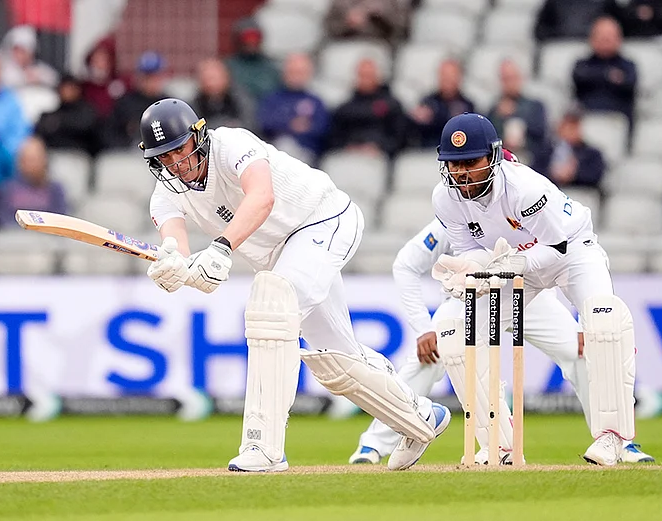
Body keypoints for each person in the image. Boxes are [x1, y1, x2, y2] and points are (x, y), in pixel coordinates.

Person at [138, 98, 450, 472]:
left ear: (198, 136)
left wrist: (221, 248)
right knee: (338, 363)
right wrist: (177, 267)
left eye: (179, 150)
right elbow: (177, 246)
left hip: (324, 220)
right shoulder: (167, 192)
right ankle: (421, 417)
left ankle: (264, 447)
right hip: (281, 257)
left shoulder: (231, 144)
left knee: (271, 310)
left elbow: (262, 196)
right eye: (164, 158)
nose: (175, 163)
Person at [349, 211, 655, 465]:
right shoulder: (452, 214)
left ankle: (615, 438)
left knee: (580, 349)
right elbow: (405, 264)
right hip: (473, 297)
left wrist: (579, 319)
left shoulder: (522, 206)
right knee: (439, 347)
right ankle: (375, 443)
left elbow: (561, 255)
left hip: (528, 294)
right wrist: (422, 328)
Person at [430, 112, 638, 466]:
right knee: (451, 329)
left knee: (603, 321)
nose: (462, 173)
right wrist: (471, 272)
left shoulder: (525, 188)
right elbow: (471, 251)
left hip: (571, 252)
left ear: (493, 156)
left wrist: (514, 263)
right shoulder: (445, 198)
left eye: (471, 162)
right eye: (454, 164)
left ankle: (612, 437)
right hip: (513, 265)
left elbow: (556, 246)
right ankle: (499, 442)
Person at [257, 53, 330, 166]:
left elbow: (322, 128)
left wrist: (304, 128)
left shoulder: (316, 101)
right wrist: (291, 125)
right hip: (277, 152)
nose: (296, 76)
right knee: (285, 145)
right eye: (292, 72)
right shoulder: (272, 99)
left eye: (300, 72)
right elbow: (265, 123)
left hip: (309, 154)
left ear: (308, 74)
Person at [573, 17, 637, 123]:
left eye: (610, 37)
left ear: (619, 39)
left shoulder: (628, 65)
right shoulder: (582, 64)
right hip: (586, 117)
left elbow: (629, 83)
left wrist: (596, 76)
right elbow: (580, 77)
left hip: (618, 119)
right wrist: (609, 75)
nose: (606, 41)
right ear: (591, 39)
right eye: (601, 37)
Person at [0, 136, 67, 227]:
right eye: (27, 159)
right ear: (20, 162)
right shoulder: (6, 189)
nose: (32, 165)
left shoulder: (55, 189)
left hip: (48, 238)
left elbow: (61, 220)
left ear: (45, 160)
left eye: (35, 159)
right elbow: (2, 220)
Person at [488, 59, 547, 165]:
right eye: (506, 79)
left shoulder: (535, 106)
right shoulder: (494, 110)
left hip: (531, 161)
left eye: (513, 78)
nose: (510, 83)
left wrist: (517, 114)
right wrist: (500, 117)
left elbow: (541, 135)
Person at [533, 108, 606, 192]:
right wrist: (553, 173)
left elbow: (595, 176)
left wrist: (574, 173)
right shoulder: (546, 151)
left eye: (574, 127)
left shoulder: (592, 153)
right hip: (550, 192)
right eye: (567, 126)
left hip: (580, 193)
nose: (569, 131)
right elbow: (534, 173)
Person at [409, 58, 475, 149]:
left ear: (459, 78)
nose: (447, 80)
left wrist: (435, 116)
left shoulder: (467, 105)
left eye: (451, 76)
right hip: (428, 151)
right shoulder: (427, 101)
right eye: (444, 76)